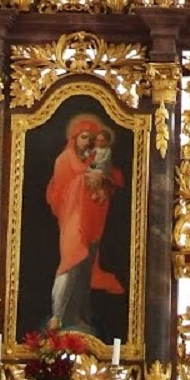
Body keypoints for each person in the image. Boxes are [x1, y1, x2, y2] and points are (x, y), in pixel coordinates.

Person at [47, 113, 126, 332]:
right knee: (70, 263)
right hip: (73, 220)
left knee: (83, 271)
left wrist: (103, 179)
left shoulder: (91, 159)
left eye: (90, 139)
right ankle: (57, 316)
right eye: (84, 137)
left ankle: (75, 315)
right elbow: (61, 191)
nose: (88, 142)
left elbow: (110, 178)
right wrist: (90, 178)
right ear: (73, 138)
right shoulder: (65, 159)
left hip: (90, 222)